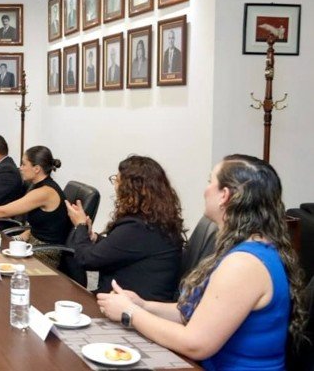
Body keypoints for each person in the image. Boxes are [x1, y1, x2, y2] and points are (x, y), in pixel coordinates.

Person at [97, 155, 306, 369]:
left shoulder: (244, 264)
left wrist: (130, 313)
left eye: (210, 182)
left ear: (224, 195)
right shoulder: (250, 249)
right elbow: (197, 314)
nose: (205, 190)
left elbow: (195, 344)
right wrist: (143, 305)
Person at [65, 155, 184, 301]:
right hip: (125, 300)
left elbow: (87, 260)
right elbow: (120, 249)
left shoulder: (138, 227)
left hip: (132, 306)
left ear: (131, 189)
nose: (115, 186)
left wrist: (80, 225)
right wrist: (94, 237)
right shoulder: (154, 220)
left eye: (118, 180)